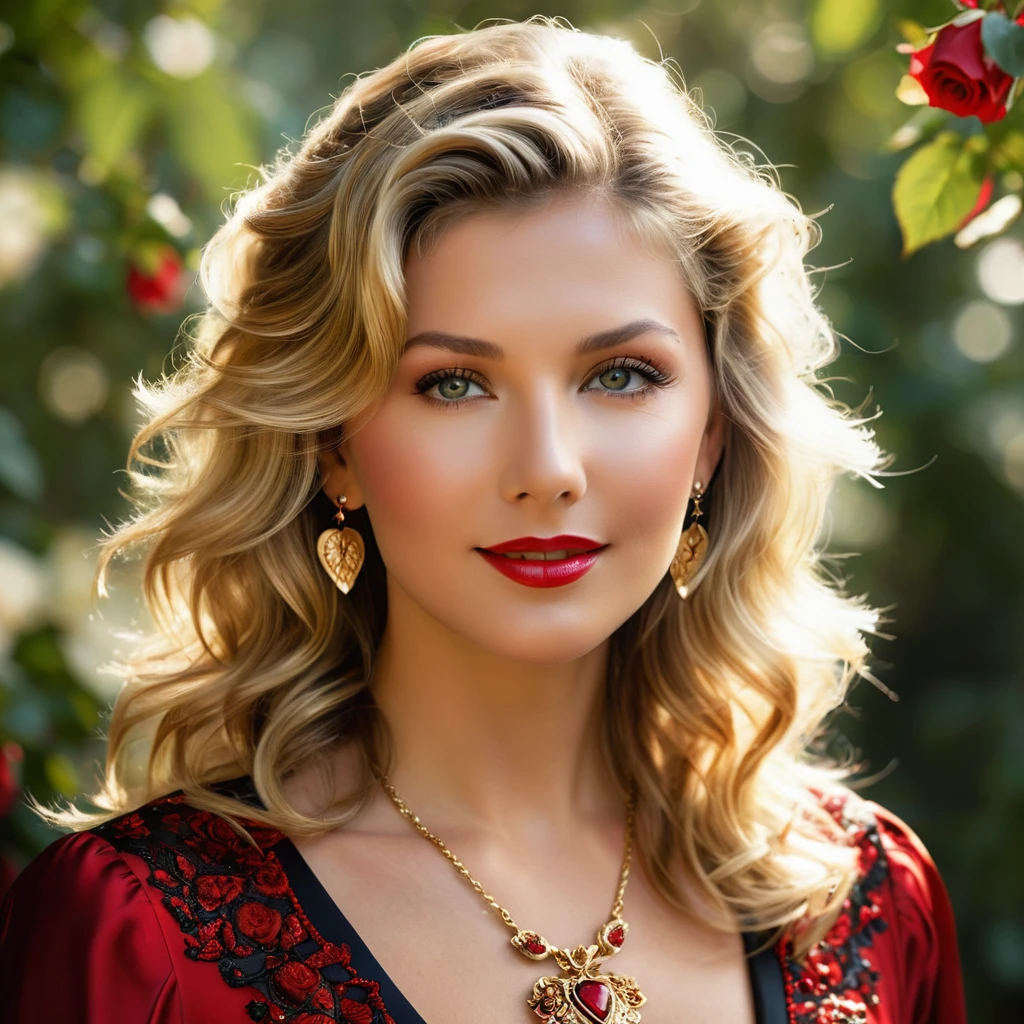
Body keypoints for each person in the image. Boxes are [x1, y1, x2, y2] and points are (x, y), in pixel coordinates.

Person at [0, 15, 966, 1024]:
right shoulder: (139, 939)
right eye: (455, 383)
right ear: (334, 442)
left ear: (713, 433)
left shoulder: (866, 904)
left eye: (621, 375)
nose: (547, 469)